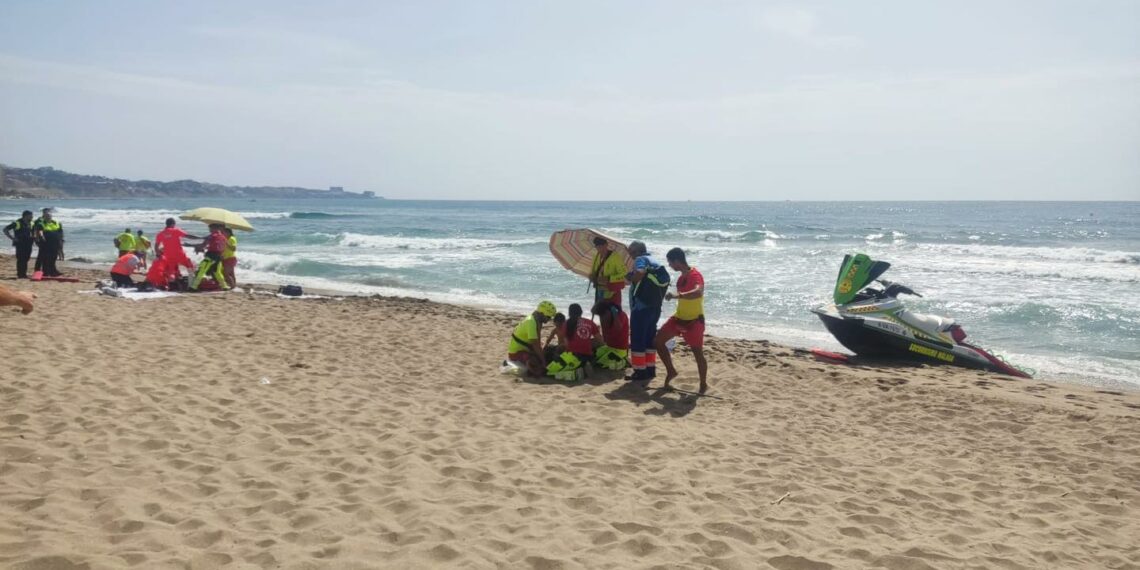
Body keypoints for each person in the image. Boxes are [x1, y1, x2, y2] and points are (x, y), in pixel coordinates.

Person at [655, 247, 708, 393]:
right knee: (658, 342)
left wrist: (677, 296)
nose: (670, 266)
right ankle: (671, 371)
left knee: (698, 353)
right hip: (679, 318)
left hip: (694, 321)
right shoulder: (680, 278)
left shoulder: (695, 275)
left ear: (677, 261)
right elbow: (682, 294)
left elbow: (698, 292)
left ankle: (703, 383)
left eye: (670, 263)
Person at [625, 240, 670, 381]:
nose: (631, 256)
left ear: (639, 251)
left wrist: (632, 279)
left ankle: (639, 371)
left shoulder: (640, 259)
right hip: (655, 306)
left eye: (632, 252)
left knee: (638, 338)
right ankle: (650, 369)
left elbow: (640, 271)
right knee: (649, 338)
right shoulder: (654, 261)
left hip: (641, 306)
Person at [507, 301, 557, 377]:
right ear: (542, 313)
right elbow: (535, 345)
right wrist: (543, 361)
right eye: (548, 317)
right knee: (536, 363)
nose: (549, 319)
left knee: (548, 351)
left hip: (526, 348)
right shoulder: (531, 322)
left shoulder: (537, 321)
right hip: (516, 353)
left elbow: (538, 342)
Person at [590, 237, 627, 309]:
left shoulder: (615, 257)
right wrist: (591, 277)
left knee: (614, 315)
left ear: (606, 245)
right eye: (598, 246)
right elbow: (593, 272)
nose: (600, 248)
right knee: (601, 314)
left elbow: (624, 275)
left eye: (602, 245)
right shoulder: (596, 257)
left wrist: (609, 278)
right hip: (599, 291)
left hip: (613, 292)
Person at [593, 300, 630, 371]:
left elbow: (618, 328)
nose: (602, 317)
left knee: (600, 364)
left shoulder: (621, 315)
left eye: (603, 315)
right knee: (592, 355)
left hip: (619, 350)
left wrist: (614, 313)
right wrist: (600, 301)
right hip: (609, 348)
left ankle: (624, 360)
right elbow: (593, 311)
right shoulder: (606, 317)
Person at [190, 223, 230, 291]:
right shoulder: (223, 237)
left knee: (201, 270)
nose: (210, 230)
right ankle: (224, 286)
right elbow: (223, 247)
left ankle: (194, 287)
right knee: (217, 272)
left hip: (210, 257)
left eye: (210, 228)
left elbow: (203, 244)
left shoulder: (212, 236)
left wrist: (197, 247)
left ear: (214, 228)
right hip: (218, 257)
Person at [3, 210, 35, 279]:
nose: (32, 217)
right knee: (21, 259)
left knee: (26, 258)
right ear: (26, 216)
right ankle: (20, 274)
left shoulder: (31, 223)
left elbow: (33, 232)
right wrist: (12, 238)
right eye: (31, 216)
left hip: (29, 243)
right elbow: (5, 229)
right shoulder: (17, 223)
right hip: (20, 244)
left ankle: (24, 274)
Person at [33, 208, 64, 277]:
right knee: (43, 257)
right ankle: (42, 271)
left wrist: (61, 240)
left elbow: (60, 231)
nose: (48, 217)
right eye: (46, 215)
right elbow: (37, 231)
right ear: (43, 214)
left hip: (55, 242)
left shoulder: (56, 222)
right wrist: (38, 238)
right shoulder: (40, 222)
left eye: (49, 215)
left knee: (53, 257)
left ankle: (53, 271)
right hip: (45, 243)